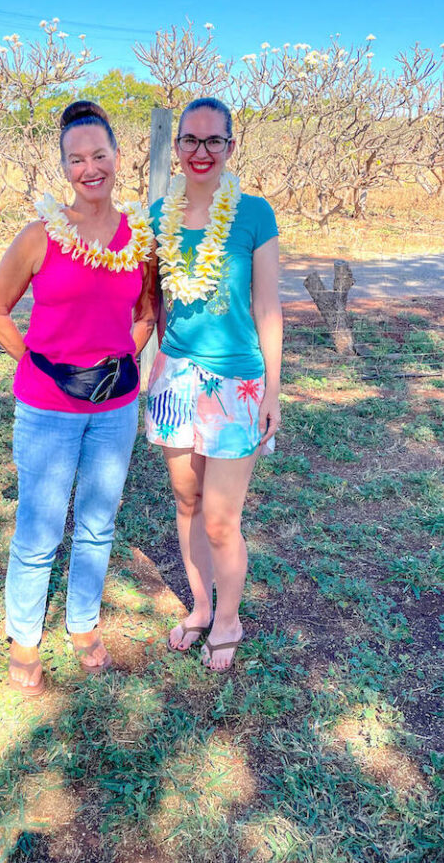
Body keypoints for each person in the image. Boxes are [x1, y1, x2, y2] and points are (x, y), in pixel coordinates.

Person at [0, 101, 157, 696]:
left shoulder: (140, 240)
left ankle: (82, 623)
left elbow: (146, 309)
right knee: (40, 526)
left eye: (99, 155)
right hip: (48, 406)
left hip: (115, 406)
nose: (90, 168)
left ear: (117, 157)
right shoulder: (39, 238)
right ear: (65, 167)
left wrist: (126, 356)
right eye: (76, 158)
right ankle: (25, 637)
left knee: (98, 522)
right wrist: (37, 363)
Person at [144, 97, 282, 672]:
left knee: (223, 518)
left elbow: (268, 306)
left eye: (213, 141)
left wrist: (273, 390)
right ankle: (201, 608)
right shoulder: (156, 215)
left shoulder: (254, 213)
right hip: (176, 376)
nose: (201, 152)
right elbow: (150, 297)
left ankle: (229, 619)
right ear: (175, 147)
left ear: (231, 146)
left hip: (238, 382)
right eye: (190, 141)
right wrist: (149, 356)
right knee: (186, 500)